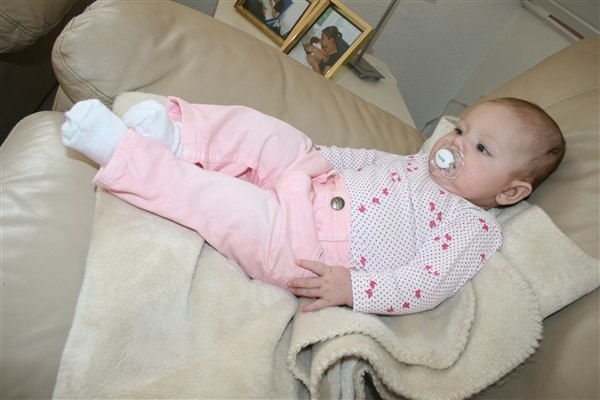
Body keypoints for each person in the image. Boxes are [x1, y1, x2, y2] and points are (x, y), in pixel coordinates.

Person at [61, 96, 565, 315]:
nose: (455, 144)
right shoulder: (420, 165)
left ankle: (125, 155)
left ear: (510, 193)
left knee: (221, 204)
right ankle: (180, 138)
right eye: (461, 129)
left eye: (482, 148)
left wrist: (354, 288)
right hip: (315, 182)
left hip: (305, 249)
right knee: (268, 133)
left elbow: (425, 283)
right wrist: (314, 157)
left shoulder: (470, 227)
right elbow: (369, 161)